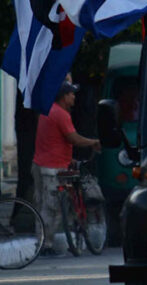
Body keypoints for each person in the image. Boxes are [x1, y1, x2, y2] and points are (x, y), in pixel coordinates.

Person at [31, 82, 101, 255]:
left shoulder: (48, 111)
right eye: (72, 94)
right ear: (64, 96)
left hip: (42, 163)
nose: (74, 97)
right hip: (52, 168)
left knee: (42, 205)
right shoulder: (61, 114)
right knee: (51, 207)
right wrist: (93, 142)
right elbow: (73, 139)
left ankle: (42, 241)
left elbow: (54, 141)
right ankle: (45, 244)